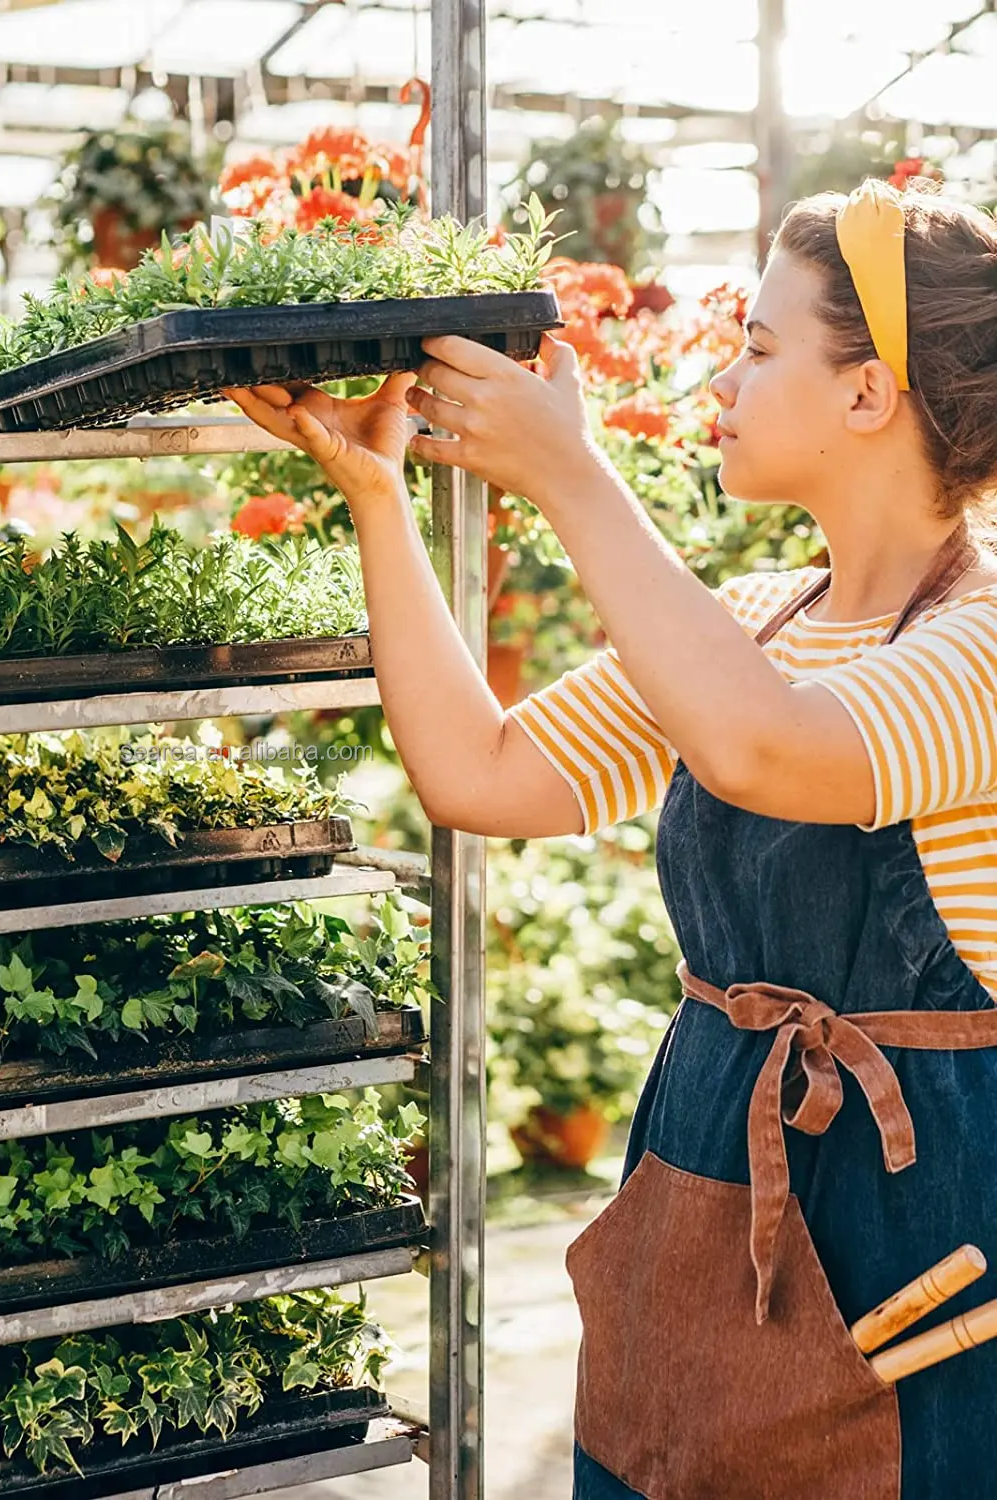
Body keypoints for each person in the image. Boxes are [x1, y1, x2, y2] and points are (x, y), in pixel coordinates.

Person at [224, 179, 997, 1499]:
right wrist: (374, 490)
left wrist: (569, 471)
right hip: (698, 1201)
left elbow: (772, 746)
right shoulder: (747, 624)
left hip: (906, 1253)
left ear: (870, 393)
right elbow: (481, 770)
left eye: (758, 348)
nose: (724, 377)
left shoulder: (978, 646)